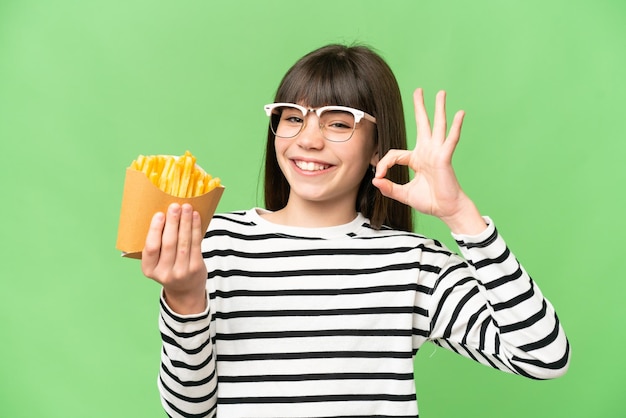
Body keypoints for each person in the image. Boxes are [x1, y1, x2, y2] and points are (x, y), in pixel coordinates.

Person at [141, 44, 570, 418]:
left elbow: (543, 355)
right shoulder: (216, 242)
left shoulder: (413, 264)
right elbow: (188, 409)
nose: (308, 140)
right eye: (293, 118)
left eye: (338, 122)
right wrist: (184, 301)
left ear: (377, 148)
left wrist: (460, 214)